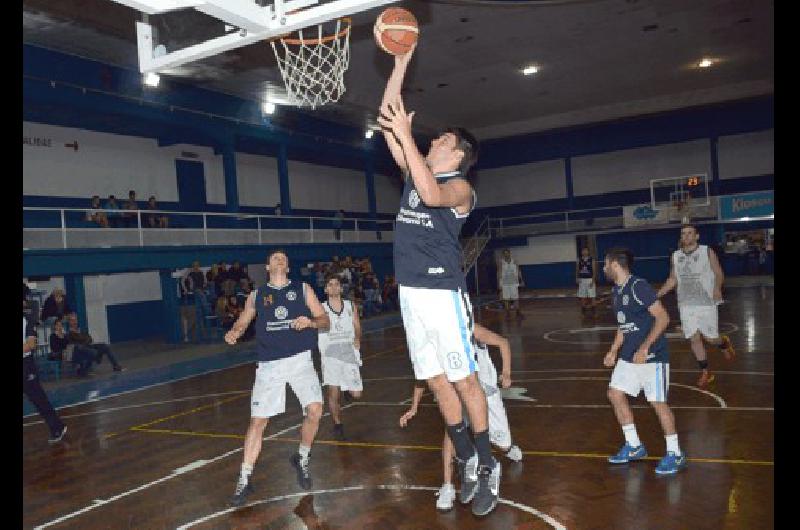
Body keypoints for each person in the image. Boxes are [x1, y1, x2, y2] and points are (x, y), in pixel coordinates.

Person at [378, 43, 499, 517]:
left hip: (442, 293)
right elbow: (390, 116)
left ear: (458, 153)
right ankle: (467, 457)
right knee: (435, 382)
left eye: (441, 139)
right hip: (411, 295)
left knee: (465, 380)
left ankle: (488, 465)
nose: (432, 141)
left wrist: (408, 139)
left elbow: (430, 195)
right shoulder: (416, 169)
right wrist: (400, 64)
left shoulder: (461, 188)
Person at [224, 249, 330, 507]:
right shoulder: (257, 295)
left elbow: (325, 320)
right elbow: (243, 321)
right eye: (274, 258)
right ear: (267, 267)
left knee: (315, 410)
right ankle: (244, 478)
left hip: (300, 360)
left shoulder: (303, 289)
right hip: (270, 365)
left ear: (288, 267)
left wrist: (311, 322)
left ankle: (302, 457)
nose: (279, 260)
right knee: (258, 422)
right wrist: (234, 332)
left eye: (283, 258)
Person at [399, 323, 522, 512]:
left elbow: (503, 343)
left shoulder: (468, 327)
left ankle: (508, 448)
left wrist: (506, 372)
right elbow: (424, 376)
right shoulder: (435, 337)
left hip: (486, 397)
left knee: (502, 444)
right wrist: (414, 406)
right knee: (451, 433)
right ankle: (447, 486)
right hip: (458, 398)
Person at [603, 247, 687, 475]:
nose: (603, 268)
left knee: (658, 403)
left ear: (615, 265)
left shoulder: (638, 286)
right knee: (615, 393)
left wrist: (645, 347)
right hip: (628, 356)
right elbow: (623, 325)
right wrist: (613, 350)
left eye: (605, 264)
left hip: (652, 357)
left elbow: (663, 318)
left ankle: (675, 453)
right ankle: (634, 445)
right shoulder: (616, 292)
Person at [656, 224, 735, 388]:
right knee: (694, 338)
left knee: (711, 339)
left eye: (689, 233)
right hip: (685, 304)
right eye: (683, 234)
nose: (686, 236)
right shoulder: (676, 256)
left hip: (706, 302)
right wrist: (656, 295)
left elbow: (718, 273)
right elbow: (673, 279)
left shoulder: (707, 251)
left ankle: (723, 343)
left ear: (697, 236)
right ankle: (706, 372)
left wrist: (716, 287)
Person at [318, 274, 363, 440]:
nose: (334, 287)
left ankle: (349, 391)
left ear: (341, 288)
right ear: (326, 289)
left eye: (337, 284)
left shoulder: (351, 306)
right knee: (333, 393)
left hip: (349, 352)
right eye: (330, 285)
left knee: (357, 394)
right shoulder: (320, 308)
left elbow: (357, 325)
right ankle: (337, 424)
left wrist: (357, 337)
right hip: (330, 355)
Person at [23, 300, 67, 443]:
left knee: (39, 399)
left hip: (26, 366)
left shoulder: (26, 322)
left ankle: (57, 427)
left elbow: (30, 345)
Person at [497, 249, 524, 320]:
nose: (506, 254)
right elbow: (499, 273)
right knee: (506, 299)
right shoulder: (501, 263)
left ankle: (518, 312)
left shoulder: (514, 261)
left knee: (516, 298)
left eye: (507, 253)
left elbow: (518, 270)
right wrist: (499, 283)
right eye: (505, 253)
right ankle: (507, 313)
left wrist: (521, 280)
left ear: (509, 253)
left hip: (514, 283)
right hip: (505, 283)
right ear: (503, 255)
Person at [576, 247, 597, 318]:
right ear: (581, 252)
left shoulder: (592, 260)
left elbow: (594, 270)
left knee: (592, 296)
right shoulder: (579, 260)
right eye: (583, 250)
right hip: (582, 280)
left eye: (586, 250)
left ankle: (594, 312)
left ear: (588, 252)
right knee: (582, 297)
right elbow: (577, 269)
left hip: (590, 279)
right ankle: (583, 313)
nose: (584, 252)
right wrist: (577, 277)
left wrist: (593, 280)